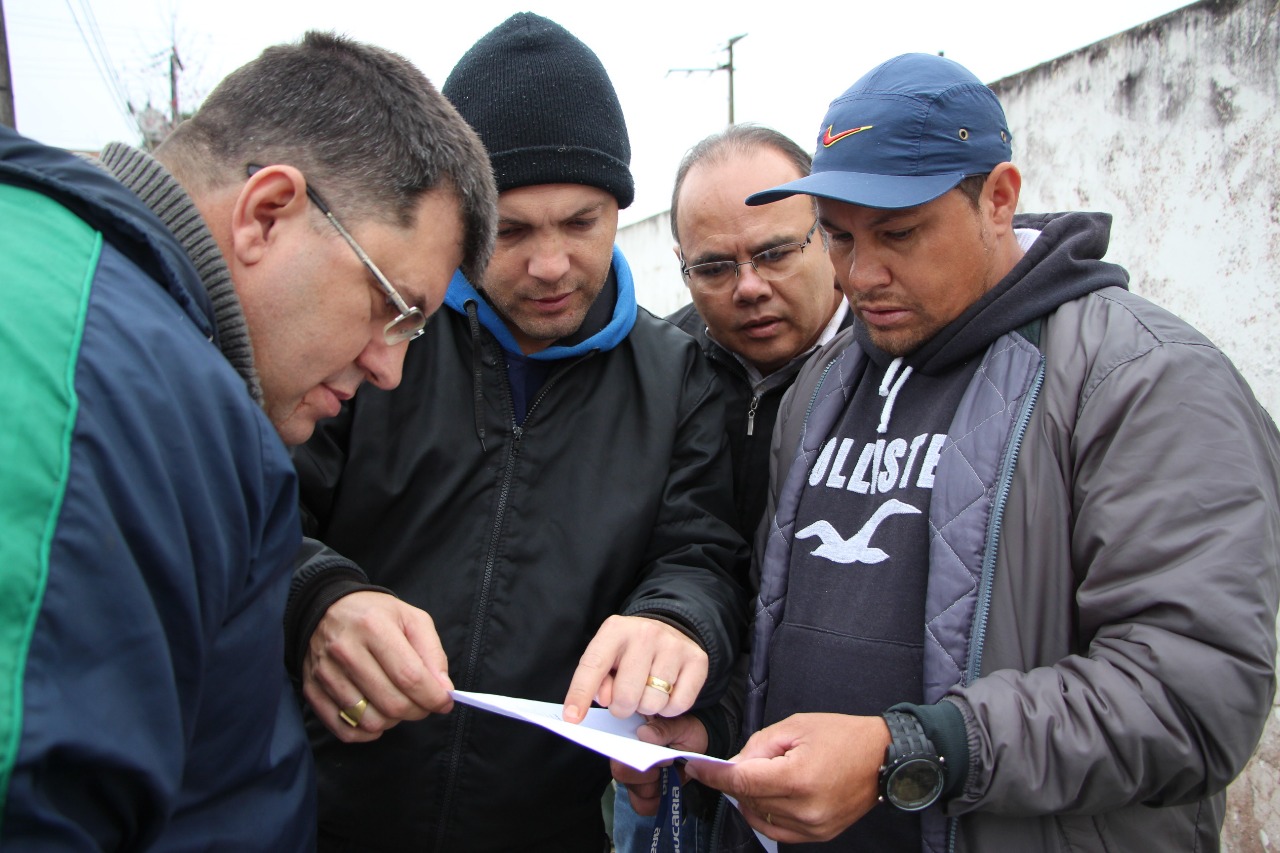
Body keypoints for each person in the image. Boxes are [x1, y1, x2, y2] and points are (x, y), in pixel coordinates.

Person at [652, 52, 1279, 851]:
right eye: (838, 237)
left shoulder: (1145, 379)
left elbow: (1194, 698)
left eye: (900, 233)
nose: (860, 272)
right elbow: (792, 634)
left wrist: (911, 751)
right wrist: (716, 725)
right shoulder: (826, 383)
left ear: (999, 198)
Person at [0, 32, 494, 850]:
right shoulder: (109, 382)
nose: (389, 369)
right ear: (268, 212)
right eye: (392, 310)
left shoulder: (105, 330)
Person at [287, 13, 747, 853]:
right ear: (460, 219)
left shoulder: (681, 376)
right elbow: (259, 510)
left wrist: (676, 620)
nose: (549, 264)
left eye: (582, 222)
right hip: (317, 812)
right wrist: (319, 599)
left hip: (555, 825)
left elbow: (702, 556)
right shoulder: (375, 338)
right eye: (514, 229)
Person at [612, 124, 848, 852]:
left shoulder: (898, 376)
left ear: (828, 233)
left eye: (775, 252)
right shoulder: (659, 374)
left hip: (835, 761)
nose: (749, 286)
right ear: (681, 267)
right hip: (667, 747)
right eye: (714, 266)